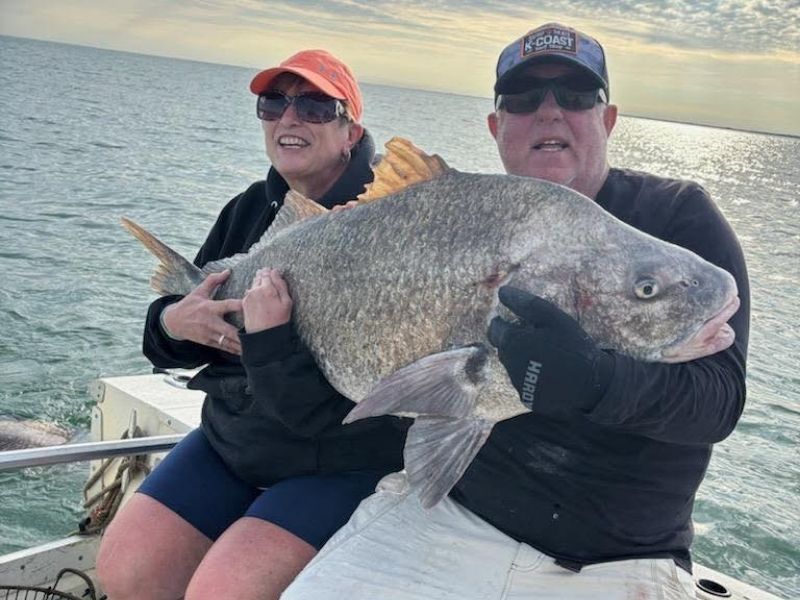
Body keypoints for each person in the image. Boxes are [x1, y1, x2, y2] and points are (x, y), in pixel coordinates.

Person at [281, 22, 750, 599]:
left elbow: (719, 401)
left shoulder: (680, 217)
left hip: (620, 560)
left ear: (607, 119)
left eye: (576, 95)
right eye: (524, 98)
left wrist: (596, 382)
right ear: (495, 127)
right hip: (449, 516)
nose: (550, 112)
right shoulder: (459, 216)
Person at [95, 49, 409, 600]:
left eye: (315, 106)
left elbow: (355, 394)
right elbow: (171, 339)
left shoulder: (389, 220)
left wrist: (269, 341)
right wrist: (174, 323)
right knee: (126, 569)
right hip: (233, 439)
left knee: (224, 590)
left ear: (351, 133)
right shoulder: (249, 208)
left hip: (342, 457)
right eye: (273, 103)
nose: (290, 117)